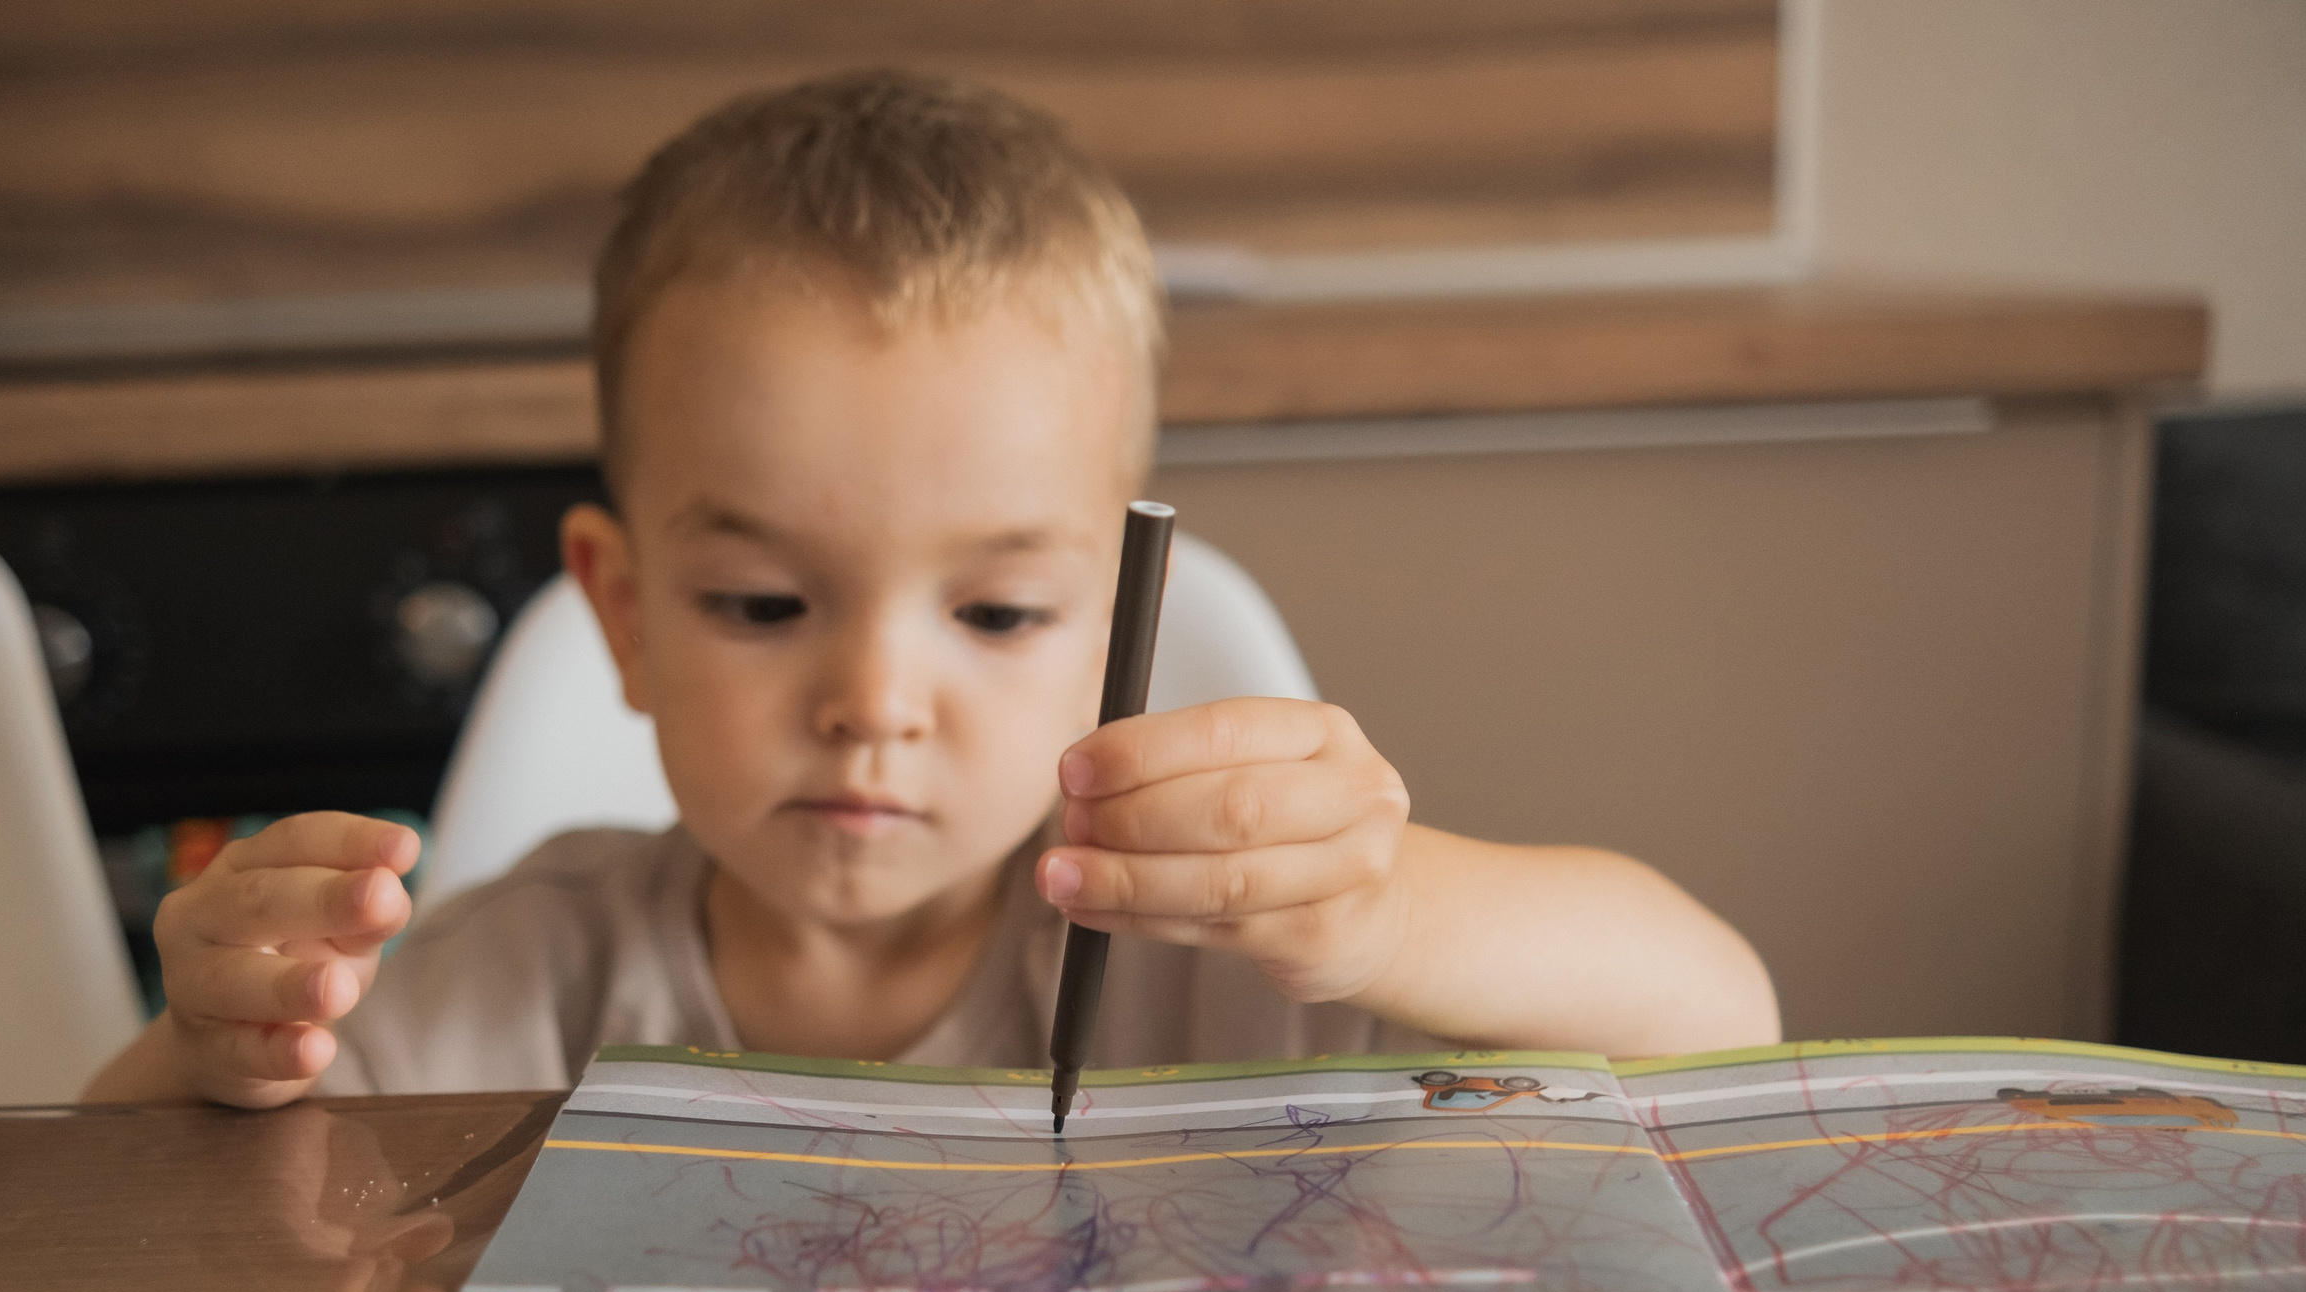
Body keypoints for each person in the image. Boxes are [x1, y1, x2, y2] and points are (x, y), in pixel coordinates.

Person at [85, 69, 1777, 1109]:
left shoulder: (1213, 966)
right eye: (763, 604)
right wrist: (207, 1053)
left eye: (994, 614)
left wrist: (1389, 905)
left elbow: (1720, 1022)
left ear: (1120, 617)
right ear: (620, 614)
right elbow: (122, 1197)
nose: (875, 700)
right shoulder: (519, 986)